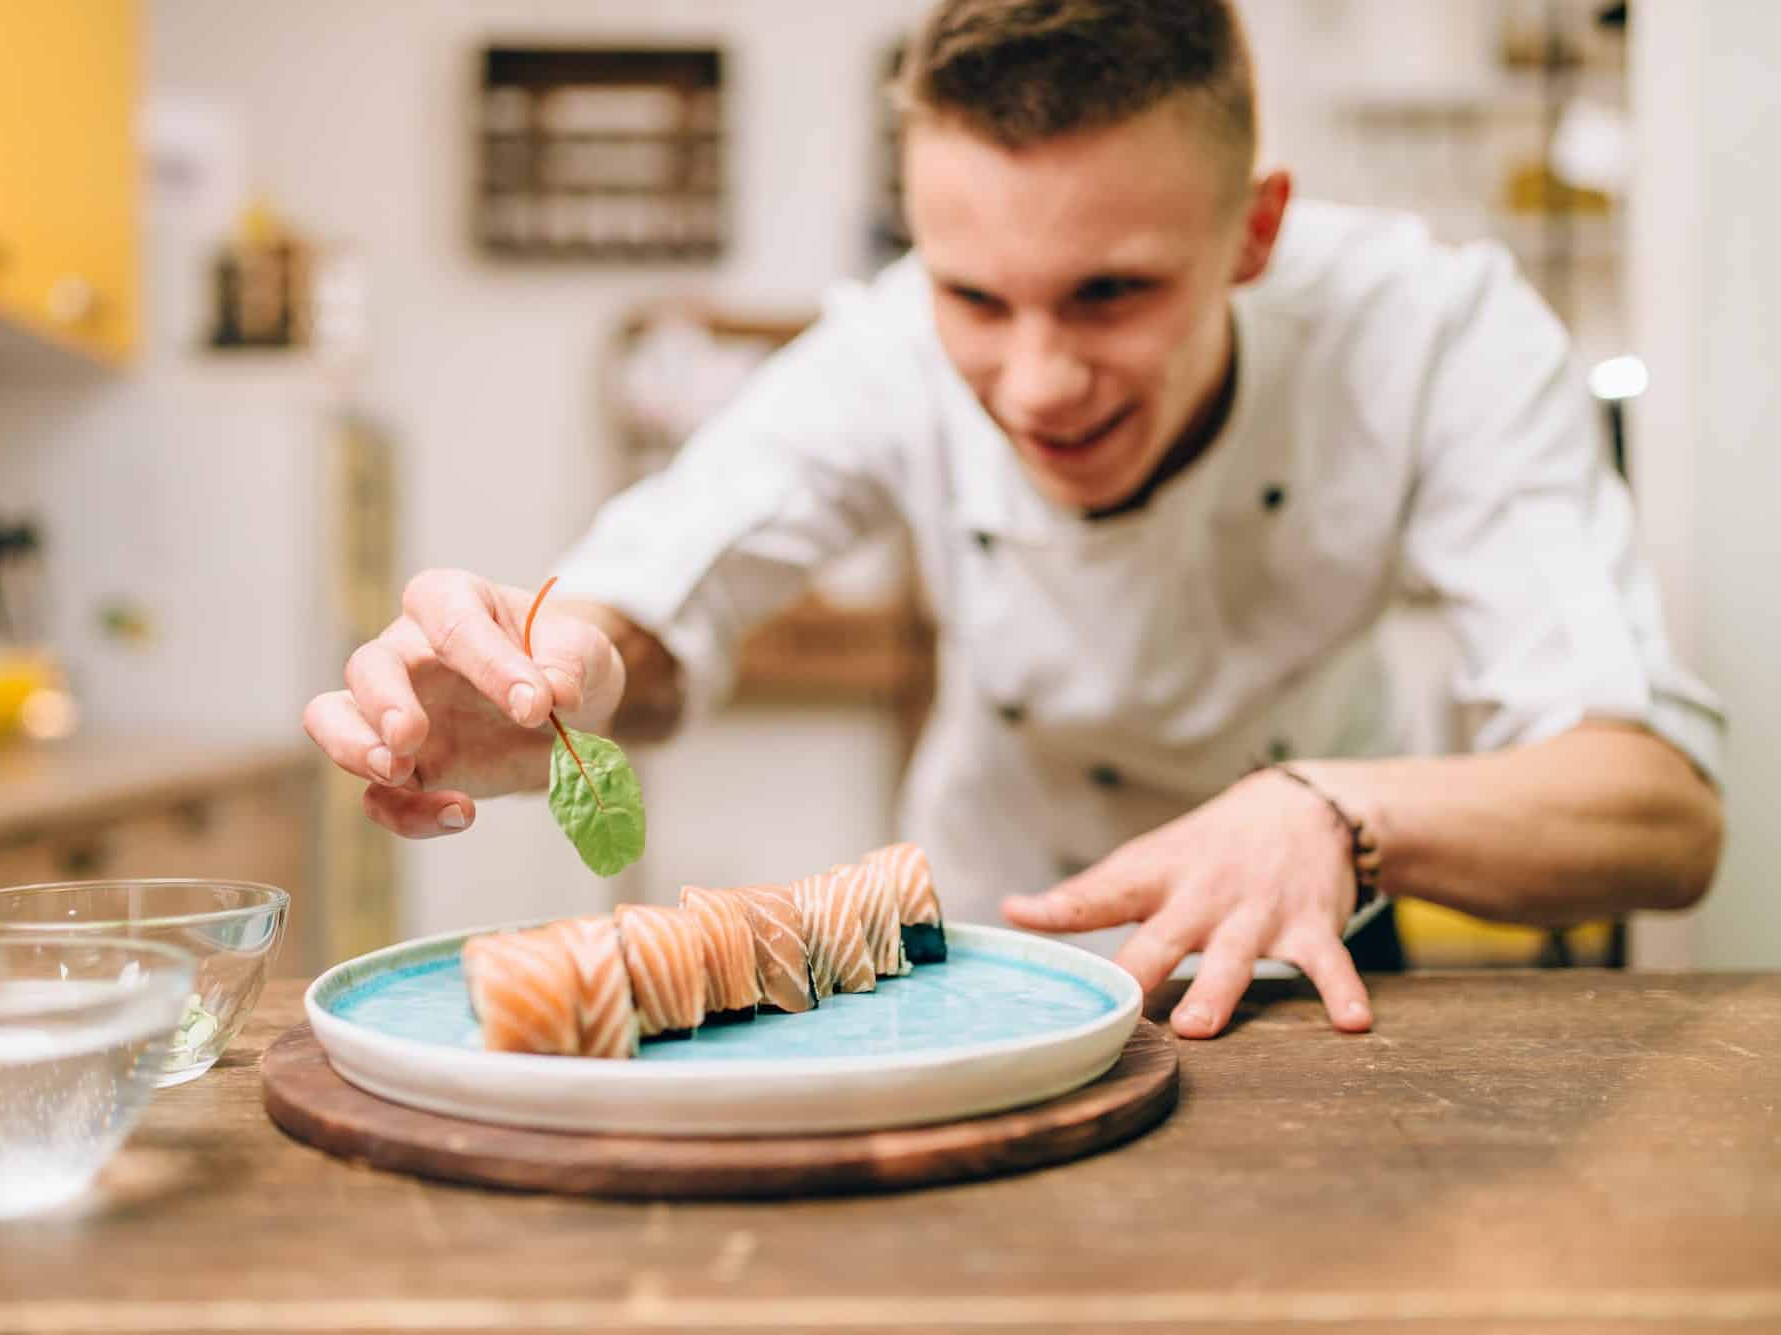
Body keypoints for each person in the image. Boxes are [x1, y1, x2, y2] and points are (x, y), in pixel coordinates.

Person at [304, 0, 1723, 1039]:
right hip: (973, 952)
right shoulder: (883, 346)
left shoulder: (1435, 332)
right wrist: (570, 676)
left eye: (1112, 293)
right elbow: (669, 588)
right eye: (977, 300)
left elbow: (1659, 814)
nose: (1038, 384)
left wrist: (1335, 809)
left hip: (1313, 948)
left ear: (1255, 231)